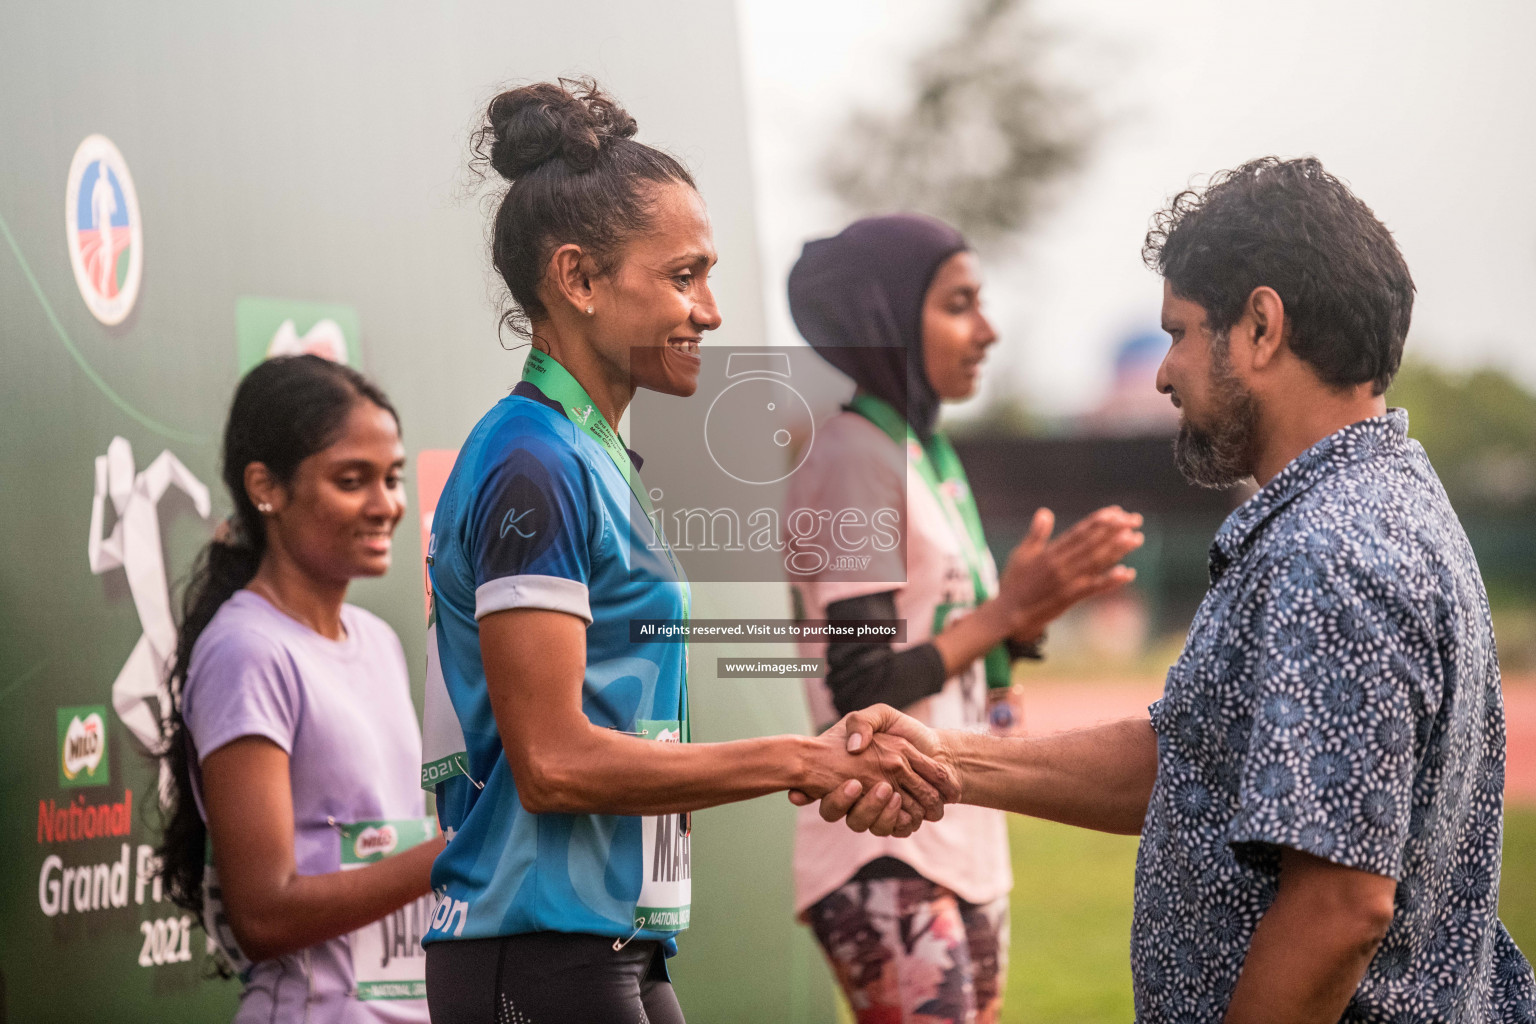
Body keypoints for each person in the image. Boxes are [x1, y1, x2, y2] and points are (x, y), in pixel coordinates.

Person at [812, 157, 1536, 1022]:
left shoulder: (1330, 553)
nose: (1164, 375)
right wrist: (948, 758)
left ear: (1262, 327)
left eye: (1181, 332)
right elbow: (1191, 762)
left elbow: (1340, 906)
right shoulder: (1380, 504)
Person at [418, 79, 959, 1024]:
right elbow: (553, 764)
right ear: (578, 280)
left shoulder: (582, 451)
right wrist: (803, 758)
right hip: (536, 944)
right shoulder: (532, 459)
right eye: (682, 275)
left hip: (605, 939)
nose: (710, 311)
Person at [783, 213, 1145, 1024]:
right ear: (887, 317)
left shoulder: (923, 452)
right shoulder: (850, 453)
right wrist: (1004, 612)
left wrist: (1025, 617)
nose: (987, 329)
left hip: (960, 834)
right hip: (882, 841)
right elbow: (863, 680)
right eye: (958, 304)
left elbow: (948, 635)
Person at [159, 354, 442, 1024]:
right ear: (267, 488)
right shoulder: (247, 652)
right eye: (353, 481)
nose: (387, 505)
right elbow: (262, 914)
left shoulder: (378, 641)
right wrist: (455, 855)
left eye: (394, 478)